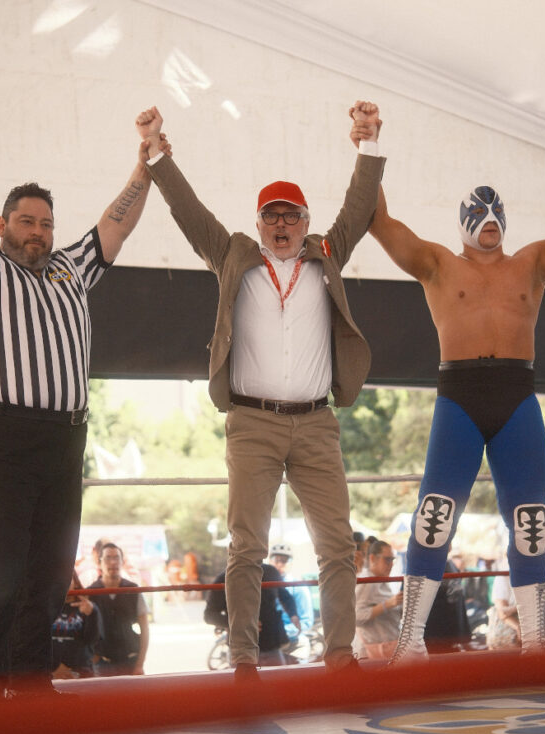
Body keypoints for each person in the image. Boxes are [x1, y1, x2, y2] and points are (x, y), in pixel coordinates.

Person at [357, 96, 545, 660]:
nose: (488, 219)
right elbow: (378, 220)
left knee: (531, 521)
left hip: (516, 396)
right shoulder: (437, 263)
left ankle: (534, 638)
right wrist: (368, 141)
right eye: (479, 213)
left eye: (495, 212)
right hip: (458, 397)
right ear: (463, 220)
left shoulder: (530, 264)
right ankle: (410, 640)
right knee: (434, 519)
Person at [136, 102, 386, 676]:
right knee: (247, 546)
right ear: (257, 224)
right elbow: (189, 212)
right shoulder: (232, 255)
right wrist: (155, 151)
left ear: (306, 222)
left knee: (337, 545)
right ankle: (244, 660)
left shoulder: (327, 253)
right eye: (270, 217)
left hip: (317, 423)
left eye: (290, 217)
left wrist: (368, 144)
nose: (281, 226)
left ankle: (340, 656)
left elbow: (359, 206)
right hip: (252, 424)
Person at [0, 106, 153, 703]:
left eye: (46, 223)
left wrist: (145, 165)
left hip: (64, 438)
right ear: (2, 223)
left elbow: (116, 224)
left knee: (50, 571)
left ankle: (29, 682)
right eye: (27, 221)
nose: (38, 232)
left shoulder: (71, 268)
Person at [205, 561, 298, 668]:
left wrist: (293, 614)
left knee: (277, 678)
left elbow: (285, 596)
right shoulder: (225, 578)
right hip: (241, 650)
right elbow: (209, 615)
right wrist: (241, 623)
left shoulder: (270, 572)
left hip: (272, 646)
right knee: (245, 679)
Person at [89, 543, 148, 676]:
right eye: (108, 558)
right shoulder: (91, 592)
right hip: (101, 663)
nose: (113, 562)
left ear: (122, 561)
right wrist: (92, 659)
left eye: (116, 557)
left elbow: (145, 628)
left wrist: (140, 664)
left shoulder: (133, 590)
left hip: (130, 660)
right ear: (99, 563)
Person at [354, 540, 402, 660]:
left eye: (393, 560)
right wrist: (388, 604)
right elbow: (356, 617)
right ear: (372, 558)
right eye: (387, 560)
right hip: (374, 653)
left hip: (386, 650)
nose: (391, 564)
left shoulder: (380, 580)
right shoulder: (367, 582)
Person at [51, 571, 99, 679]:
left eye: (67, 578)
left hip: (79, 670)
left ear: (75, 582)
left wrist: (91, 614)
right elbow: (39, 641)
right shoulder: (47, 607)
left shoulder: (88, 607)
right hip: (51, 671)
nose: (62, 583)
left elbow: (92, 640)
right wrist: (55, 667)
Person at [268, 544, 313, 654]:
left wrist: (280, 631)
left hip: (294, 643)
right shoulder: (264, 586)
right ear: (269, 561)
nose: (279, 564)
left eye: (284, 561)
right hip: (269, 642)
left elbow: (306, 622)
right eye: (276, 560)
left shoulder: (299, 587)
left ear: (290, 563)